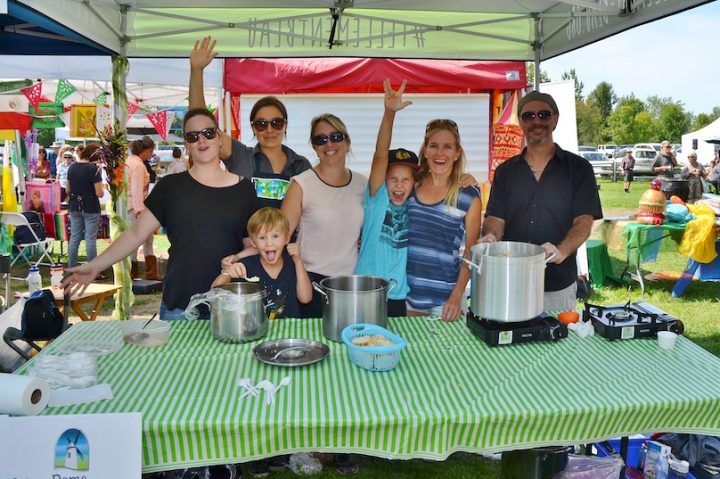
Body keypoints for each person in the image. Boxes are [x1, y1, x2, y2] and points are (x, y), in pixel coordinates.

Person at [64, 108, 259, 322]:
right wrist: (95, 266)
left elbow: (251, 246)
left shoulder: (244, 190)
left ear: (220, 138)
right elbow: (136, 233)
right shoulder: (170, 187)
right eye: (192, 136)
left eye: (208, 133)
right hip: (179, 307)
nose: (201, 140)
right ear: (186, 145)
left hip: (229, 306)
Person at [481, 91, 603, 312]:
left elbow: (584, 221)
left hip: (557, 283)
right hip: (511, 280)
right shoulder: (505, 171)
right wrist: (490, 236)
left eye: (543, 114)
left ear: (555, 119)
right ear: (520, 122)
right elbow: (495, 218)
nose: (536, 121)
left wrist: (561, 250)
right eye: (528, 116)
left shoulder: (578, 169)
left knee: (556, 345)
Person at [189, 36, 312, 209]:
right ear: (253, 128)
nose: (269, 130)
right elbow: (200, 123)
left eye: (276, 123)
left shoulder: (301, 165)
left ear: (285, 125)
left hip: (288, 237)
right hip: (242, 236)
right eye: (261, 124)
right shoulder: (240, 155)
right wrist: (196, 71)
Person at [405, 119, 483, 322]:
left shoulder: (468, 195)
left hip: (446, 300)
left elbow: (471, 253)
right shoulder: (411, 185)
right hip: (408, 296)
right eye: (433, 146)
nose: (440, 153)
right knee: (412, 353)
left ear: (457, 153)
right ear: (425, 151)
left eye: (447, 146)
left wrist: (456, 297)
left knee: (448, 354)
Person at [354, 79, 416, 317]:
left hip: (398, 294)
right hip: (367, 290)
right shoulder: (376, 200)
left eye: (406, 179)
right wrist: (389, 114)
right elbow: (380, 156)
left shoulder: (415, 204)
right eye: (393, 179)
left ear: (414, 183)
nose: (399, 185)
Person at [212, 207, 312, 318]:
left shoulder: (293, 265)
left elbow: (306, 298)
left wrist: (298, 260)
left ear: (287, 238)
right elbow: (214, 293)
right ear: (253, 242)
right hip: (255, 330)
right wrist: (227, 272)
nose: (269, 243)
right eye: (262, 237)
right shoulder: (245, 267)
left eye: (275, 236)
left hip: (288, 331)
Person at [127, 136, 161, 281]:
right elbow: (136, 189)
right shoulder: (139, 165)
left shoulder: (129, 161)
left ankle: (136, 272)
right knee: (143, 240)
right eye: (151, 151)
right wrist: (140, 211)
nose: (151, 154)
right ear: (146, 151)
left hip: (129, 205)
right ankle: (147, 272)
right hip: (137, 206)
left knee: (137, 240)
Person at [66, 143, 104, 268]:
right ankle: (92, 268)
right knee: (90, 239)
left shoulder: (71, 167)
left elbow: (67, 189)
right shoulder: (93, 169)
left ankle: (71, 266)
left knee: (74, 237)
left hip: (74, 205)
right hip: (90, 206)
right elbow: (99, 193)